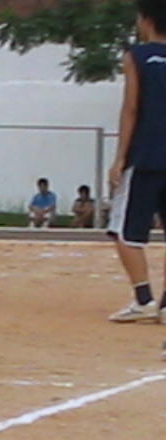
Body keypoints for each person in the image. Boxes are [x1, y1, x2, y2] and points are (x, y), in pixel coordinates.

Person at [107, 0, 166, 324]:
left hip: (145, 157)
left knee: (124, 231)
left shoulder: (137, 56)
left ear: (146, 20)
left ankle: (144, 299)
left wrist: (119, 158)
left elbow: (131, 109)